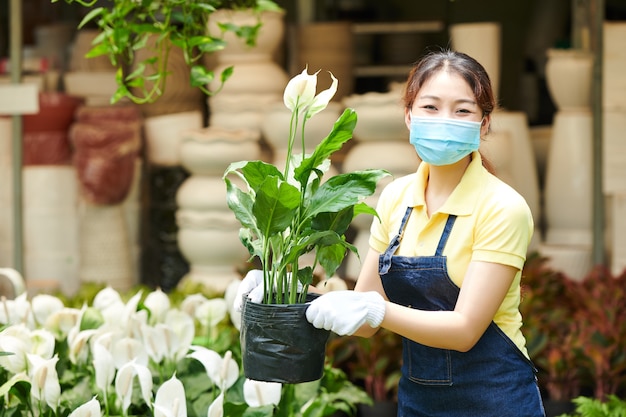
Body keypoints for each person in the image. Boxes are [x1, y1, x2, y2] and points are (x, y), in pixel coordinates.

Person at [235, 49, 545, 417]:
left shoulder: (502, 207)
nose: (445, 119)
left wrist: (375, 309)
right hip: (418, 403)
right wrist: (278, 295)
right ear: (409, 116)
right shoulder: (396, 198)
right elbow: (364, 315)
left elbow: (464, 330)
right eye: (430, 107)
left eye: (462, 110)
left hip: (496, 400)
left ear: (484, 124)